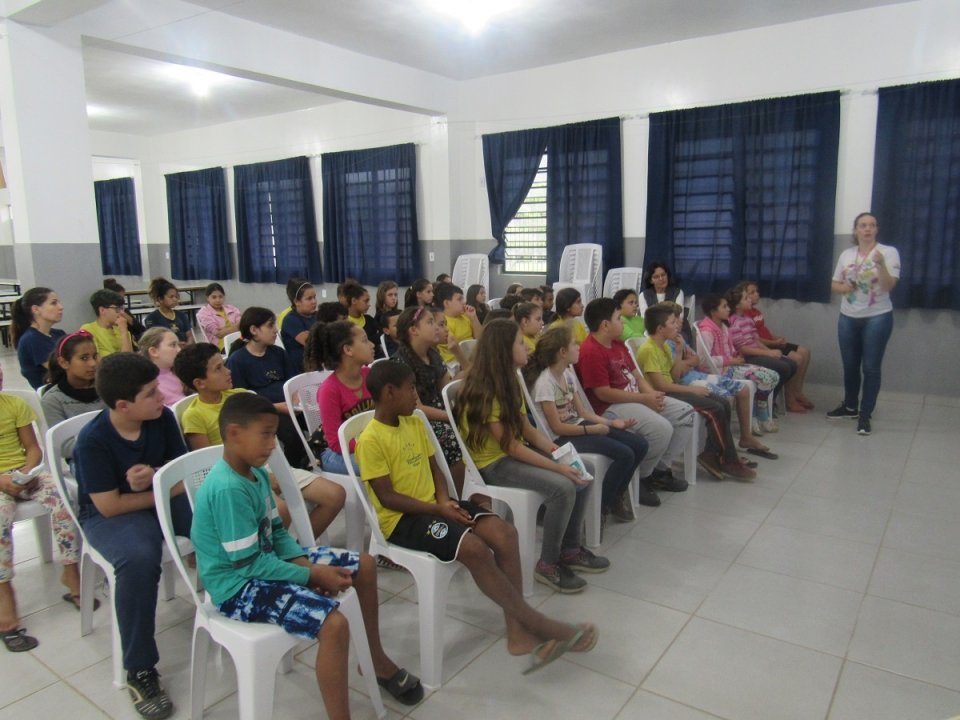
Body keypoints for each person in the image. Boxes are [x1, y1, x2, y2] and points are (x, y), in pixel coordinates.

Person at [190, 393, 423, 716]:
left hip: (265, 562)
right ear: (233, 433)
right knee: (334, 625)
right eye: (266, 434)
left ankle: (376, 661)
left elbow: (277, 533)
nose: (273, 444)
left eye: (274, 434)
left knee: (365, 566)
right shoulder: (228, 488)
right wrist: (310, 574)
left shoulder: (255, 474)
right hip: (237, 587)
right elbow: (249, 564)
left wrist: (304, 564)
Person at [358, 361, 598, 673]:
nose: (416, 397)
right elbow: (388, 497)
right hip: (402, 520)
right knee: (473, 549)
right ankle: (539, 623)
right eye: (411, 389)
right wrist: (438, 509)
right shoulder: (370, 440)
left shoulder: (414, 422)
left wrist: (444, 501)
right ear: (389, 392)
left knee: (504, 534)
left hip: (436, 506)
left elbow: (435, 470)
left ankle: (518, 634)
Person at [73, 353, 191, 719]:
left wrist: (156, 477)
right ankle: (139, 668)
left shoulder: (162, 418)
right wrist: (160, 486)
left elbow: (180, 474)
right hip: (113, 515)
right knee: (138, 560)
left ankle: (242, 598)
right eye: (152, 393)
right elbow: (109, 506)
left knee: (217, 522)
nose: (162, 397)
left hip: (156, 496)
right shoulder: (92, 441)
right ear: (123, 405)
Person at [454, 319, 609, 594]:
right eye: (518, 342)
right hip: (493, 464)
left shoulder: (511, 380)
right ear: (504, 350)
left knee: (582, 468)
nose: (527, 346)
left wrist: (559, 454)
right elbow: (510, 446)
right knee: (562, 487)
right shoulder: (486, 388)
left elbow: (527, 429)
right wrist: (558, 469)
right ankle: (548, 564)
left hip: (511, 451)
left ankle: (570, 549)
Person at [174, 343, 345, 540]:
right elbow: (208, 465)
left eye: (224, 365)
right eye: (218, 369)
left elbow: (267, 437)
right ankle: (271, 559)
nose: (228, 371)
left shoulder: (241, 396)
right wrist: (259, 476)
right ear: (200, 383)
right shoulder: (194, 415)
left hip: (267, 467)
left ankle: (298, 549)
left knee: (335, 495)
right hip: (236, 476)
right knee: (280, 510)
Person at [575, 298, 693, 507]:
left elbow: (637, 377)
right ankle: (642, 478)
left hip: (636, 398)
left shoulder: (618, 344)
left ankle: (660, 469)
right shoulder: (591, 351)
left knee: (686, 413)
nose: (623, 323)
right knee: (661, 428)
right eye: (619, 318)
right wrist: (644, 398)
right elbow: (603, 394)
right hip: (611, 408)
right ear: (605, 325)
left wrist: (653, 396)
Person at [524, 326, 648, 523]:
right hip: (563, 438)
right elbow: (557, 428)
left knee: (640, 444)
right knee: (625, 453)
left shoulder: (567, 375)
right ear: (562, 352)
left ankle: (615, 494)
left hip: (579, 427)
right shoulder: (544, 383)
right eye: (574, 344)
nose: (579, 347)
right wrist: (593, 429)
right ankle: (601, 507)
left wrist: (610, 422)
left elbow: (582, 412)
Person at [0, 365, 85, 653]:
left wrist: (25, 473)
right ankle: (4, 592)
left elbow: (33, 448)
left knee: (62, 499)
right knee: (1, 517)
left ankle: (70, 569)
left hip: (25, 473)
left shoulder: (14, 405)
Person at [637, 304, 759, 480]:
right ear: (660, 328)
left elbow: (675, 377)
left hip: (674, 388)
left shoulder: (664, 346)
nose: (677, 324)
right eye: (672, 322)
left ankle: (712, 454)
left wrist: (678, 353)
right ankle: (729, 460)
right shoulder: (649, 349)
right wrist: (692, 389)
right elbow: (661, 386)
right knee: (714, 408)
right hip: (666, 395)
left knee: (722, 402)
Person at [659, 302, 770, 467]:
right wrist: (685, 360)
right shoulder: (666, 344)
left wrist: (686, 361)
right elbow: (678, 373)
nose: (680, 323)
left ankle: (743, 438)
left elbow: (695, 359)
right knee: (723, 398)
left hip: (697, 374)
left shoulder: (679, 338)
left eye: (680, 319)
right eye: (675, 320)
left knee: (743, 389)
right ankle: (719, 451)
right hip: (688, 382)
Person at [828, 212, 900, 436]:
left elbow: (889, 286)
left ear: (876, 229)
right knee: (850, 365)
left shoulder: (888, 253)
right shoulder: (847, 254)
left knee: (870, 367)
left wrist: (880, 266)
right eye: (863, 225)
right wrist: (845, 288)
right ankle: (850, 406)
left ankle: (865, 415)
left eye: (872, 225)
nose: (867, 229)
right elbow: (834, 284)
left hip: (877, 317)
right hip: (848, 317)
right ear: (855, 230)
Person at [391, 306, 466, 494]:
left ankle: (478, 493)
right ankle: (453, 497)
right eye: (430, 322)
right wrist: (452, 417)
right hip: (416, 420)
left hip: (440, 415)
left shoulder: (433, 354)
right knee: (449, 438)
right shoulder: (400, 363)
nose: (437, 328)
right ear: (413, 330)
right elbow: (417, 408)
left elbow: (446, 391)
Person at [226, 307, 307, 469]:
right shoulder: (238, 360)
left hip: (290, 405)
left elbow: (293, 381)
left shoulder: (278, 353)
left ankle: (317, 458)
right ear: (254, 330)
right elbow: (244, 400)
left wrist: (296, 400)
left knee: (319, 420)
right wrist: (278, 407)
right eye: (270, 326)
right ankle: (295, 471)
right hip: (264, 412)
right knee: (292, 435)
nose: (275, 330)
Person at [697, 294, 781, 436]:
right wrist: (731, 361)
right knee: (764, 379)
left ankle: (760, 412)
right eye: (724, 307)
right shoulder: (707, 331)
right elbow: (704, 361)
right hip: (720, 371)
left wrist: (736, 356)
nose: (728, 309)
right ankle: (756, 416)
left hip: (731, 366)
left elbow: (729, 349)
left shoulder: (723, 326)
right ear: (713, 311)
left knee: (773, 375)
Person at [306, 321, 375, 475]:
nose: (372, 345)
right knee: (382, 464)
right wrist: (374, 445)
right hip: (334, 452)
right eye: (364, 340)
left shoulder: (369, 376)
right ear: (348, 350)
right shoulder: (329, 390)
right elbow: (336, 443)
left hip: (367, 443)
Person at [726, 283, 799, 413]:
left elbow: (756, 339)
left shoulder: (747, 318)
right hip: (748, 357)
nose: (750, 300)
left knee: (791, 364)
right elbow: (743, 349)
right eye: (746, 298)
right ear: (737, 305)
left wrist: (770, 351)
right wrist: (768, 354)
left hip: (757, 352)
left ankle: (770, 397)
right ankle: (763, 401)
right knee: (783, 367)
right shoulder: (734, 321)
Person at [741, 281, 814, 410]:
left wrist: (775, 337)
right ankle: (789, 398)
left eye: (757, 291)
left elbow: (764, 329)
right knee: (797, 358)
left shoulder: (756, 311)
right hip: (767, 345)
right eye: (751, 293)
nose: (756, 294)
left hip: (771, 342)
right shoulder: (745, 315)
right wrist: (773, 343)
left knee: (805, 351)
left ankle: (797, 392)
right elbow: (755, 339)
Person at [40, 330, 106, 438]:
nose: (93, 363)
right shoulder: (53, 400)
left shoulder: (109, 389)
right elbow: (62, 445)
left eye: (94, 357)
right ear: (64, 362)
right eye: (84, 358)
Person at [11, 286, 66, 389]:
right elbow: (62, 371)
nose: (60, 307)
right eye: (54, 303)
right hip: (55, 395)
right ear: (36, 309)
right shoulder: (32, 339)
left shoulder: (58, 334)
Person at [436, 283, 481, 364]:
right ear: (446, 303)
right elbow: (454, 348)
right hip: (456, 362)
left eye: (463, 299)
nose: (464, 302)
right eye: (459, 299)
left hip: (473, 357)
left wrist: (474, 318)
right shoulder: (443, 322)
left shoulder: (465, 316)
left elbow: (480, 338)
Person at [138, 328, 185, 406]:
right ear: (154, 351)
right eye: (173, 345)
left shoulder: (180, 372)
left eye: (178, 345)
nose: (179, 350)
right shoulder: (146, 383)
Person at [81, 289, 134, 358]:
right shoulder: (88, 330)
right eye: (117, 309)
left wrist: (124, 332)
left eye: (122, 308)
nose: (121, 313)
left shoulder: (121, 329)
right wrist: (124, 331)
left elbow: (130, 359)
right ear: (102, 310)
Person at [280, 277, 318, 372]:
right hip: (300, 368)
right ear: (296, 301)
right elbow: (311, 343)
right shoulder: (291, 320)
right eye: (309, 299)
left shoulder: (316, 315)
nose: (314, 301)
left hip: (316, 362)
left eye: (314, 297)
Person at [143, 277, 193, 344]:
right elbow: (153, 340)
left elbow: (189, 336)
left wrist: (187, 347)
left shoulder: (181, 315)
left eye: (176, 296)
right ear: (160, 299)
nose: (175, 299)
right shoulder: (152, 318)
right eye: (171, 297)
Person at [341, 281, 383, 359]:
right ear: (354, 301)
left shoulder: (369, 320)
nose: (369, 304)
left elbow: (381, 337)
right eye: (366, 301)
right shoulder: (344, 323)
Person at [195, 282, 241, 351]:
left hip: (237, 341)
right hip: (218, 347)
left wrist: (225, 329)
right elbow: (219, 334)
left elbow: (243, 325)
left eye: (220, 296)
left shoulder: (232, 308)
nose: (218, 300)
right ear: (207, 298)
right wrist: (236, 326)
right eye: (214, 297)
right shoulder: (203, 313)